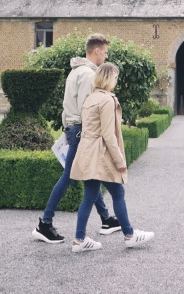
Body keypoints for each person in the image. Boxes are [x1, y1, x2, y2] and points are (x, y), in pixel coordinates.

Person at [32, 33, 121, 243]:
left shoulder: (76, 71)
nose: (106, 56)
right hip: (81, 130)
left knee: (90, 175)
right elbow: (87, 109)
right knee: (70, 177)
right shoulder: (89, 75)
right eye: (105, 52)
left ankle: (106, 218)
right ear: (96, 51)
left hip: (74, 128)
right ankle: (44, 224)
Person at [70, 62, 154, 251]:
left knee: (89, 197)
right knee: (117, 193)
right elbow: (109, 135)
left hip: (87, 152)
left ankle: (79, 240)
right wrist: (120, 161)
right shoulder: (107, 100)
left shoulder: (91, 98)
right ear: (110, 78)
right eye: (116, 77)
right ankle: (129, 235)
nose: (116, 81)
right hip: (100, 155)